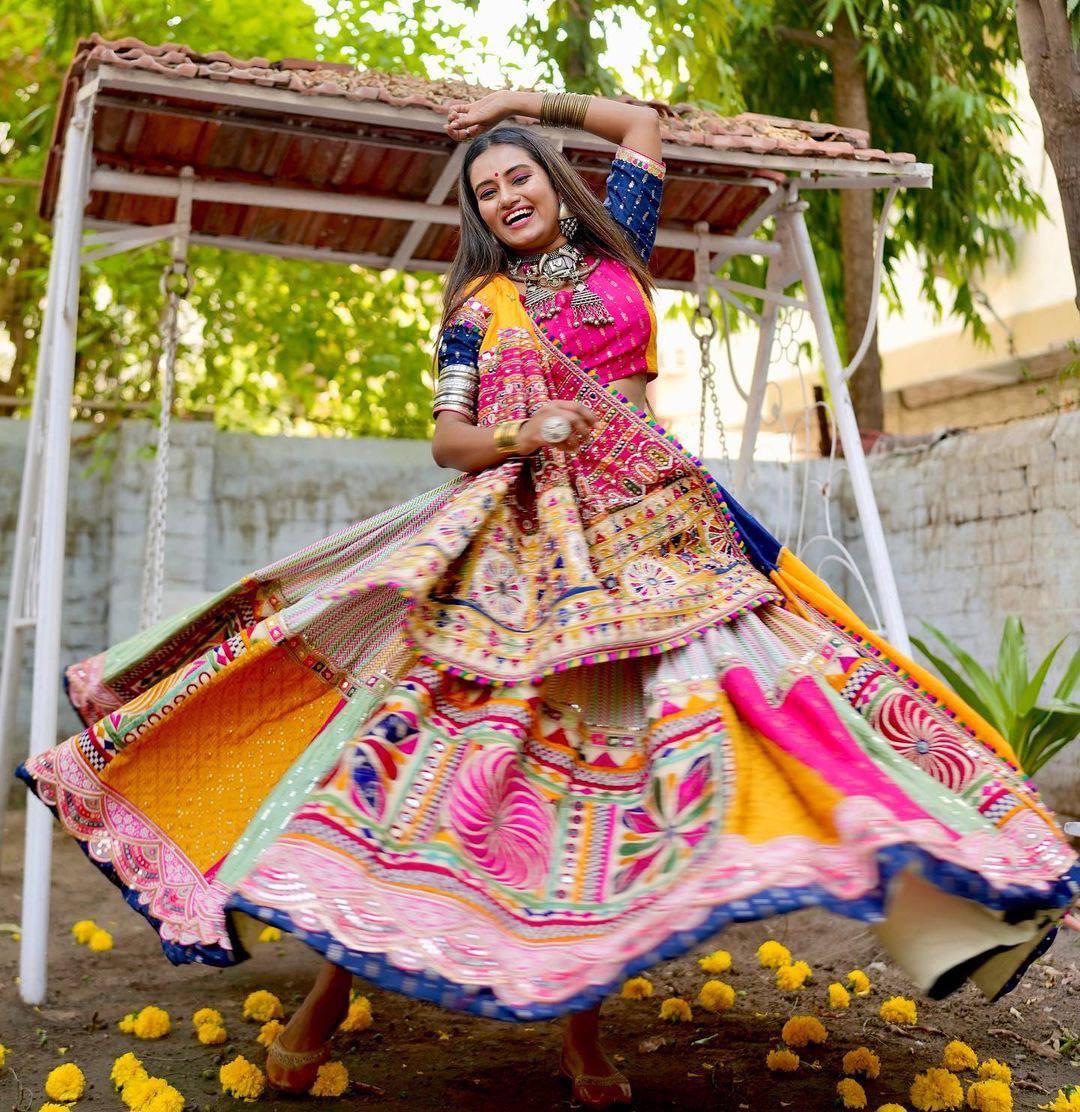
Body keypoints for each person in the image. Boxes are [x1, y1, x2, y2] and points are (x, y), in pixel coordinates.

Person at [17, 88, 1079, 1111]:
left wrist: (520, 101)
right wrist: (524, 435)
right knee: (426, 753)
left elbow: (643, 126)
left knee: (742, 723)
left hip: (662, 530)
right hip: (522, 545)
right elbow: (449, 439)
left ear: (555, 184)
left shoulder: (621, 242)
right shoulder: (477, 305)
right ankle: (328, 990)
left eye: (519, 178)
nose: (505, 199)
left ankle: (631, 1008)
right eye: (487, 192)